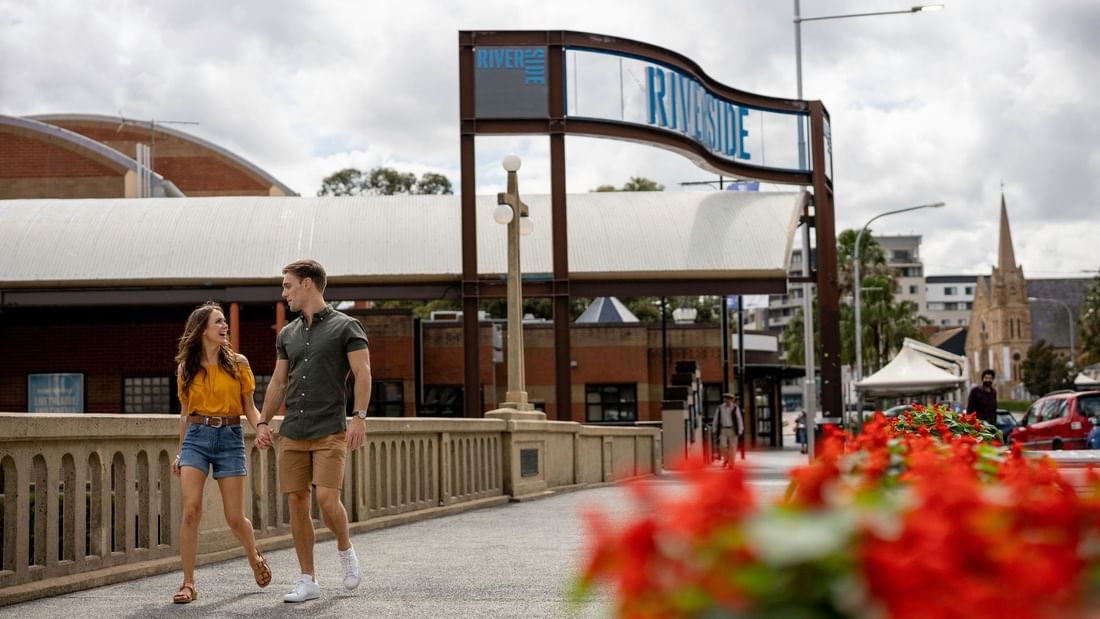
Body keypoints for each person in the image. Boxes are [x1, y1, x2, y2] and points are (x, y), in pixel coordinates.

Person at [254, 259, 372, 604]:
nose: (284, 293)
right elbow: (278, 382)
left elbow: (363, 373)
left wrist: (359, 417)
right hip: (293, 431)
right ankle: (308, 579)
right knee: (297, 502)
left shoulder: (347, 326)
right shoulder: (287, 334)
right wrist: (263, 421)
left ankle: (345, 549)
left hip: (329, 429)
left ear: (308, 284)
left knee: (326, 499)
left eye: (288, 285)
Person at [172, 302, 271, 604]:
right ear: (203, 328)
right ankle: (188, 583)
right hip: (196, 438)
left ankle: (254, 556)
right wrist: (180, 452)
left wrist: (262, 426)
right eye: (218, 322)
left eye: (225, 321)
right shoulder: (186, 368)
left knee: (234, 517)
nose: (224, 326)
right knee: (191, 511)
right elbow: (185, 413)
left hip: (230, 437)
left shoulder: (239, 363)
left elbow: (249, 407)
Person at [710, 393, 744, 468]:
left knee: (732, 447)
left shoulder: (735, 408)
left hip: (733, 429)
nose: (727, 400)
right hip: (723, 429)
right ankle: (726, 459)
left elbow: (739, 419)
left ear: (731, 400)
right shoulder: (720, 408)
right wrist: (714, 428)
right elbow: (716, 419)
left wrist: (740, 430)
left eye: (729, 399)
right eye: (725, 398)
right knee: (722, 446)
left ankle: (731, 464)